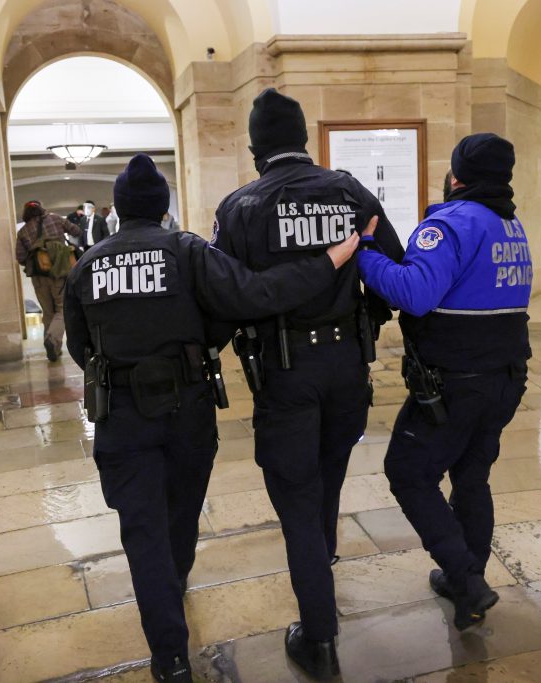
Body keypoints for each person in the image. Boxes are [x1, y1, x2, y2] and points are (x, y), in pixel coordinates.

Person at [64, 153, 360, 683]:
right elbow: (251, 296)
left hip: (123, 416)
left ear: (119, 209)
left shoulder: (89, 263)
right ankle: (171, 588)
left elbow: (79, 346)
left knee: (143, 530)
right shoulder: (186, 251)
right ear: (162, 208)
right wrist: (329, 261)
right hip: (187, 409)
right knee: (179, 519)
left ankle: (170, 657)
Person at [210, 88, 403, 679]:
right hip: (348, 368)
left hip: (285, 373)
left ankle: (318, 635)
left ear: (254, 149)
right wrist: (362, 314)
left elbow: (226, 295)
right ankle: (323, 566)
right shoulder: (347, 191)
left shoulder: (240, 206)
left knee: (296, 496)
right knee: (328, 480)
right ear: (305, 141)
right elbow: (391, 262)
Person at [356, 133, 532, 631]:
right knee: (472, 476)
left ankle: (466, 578)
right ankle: (466, 588)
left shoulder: (451, 223)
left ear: (456, 177)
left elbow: (414, 294)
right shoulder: (510, 224)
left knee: (408, 472)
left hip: (458, 383)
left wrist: (366, 252)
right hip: (505, 379)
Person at [15, 200, 81, 361]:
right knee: (62, 309)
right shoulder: (56, 219)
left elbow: (20, 257)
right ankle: (52, 340)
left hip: (38, 276)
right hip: (59, 272)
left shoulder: (23, 231)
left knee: (48, 312)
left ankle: (53, 350)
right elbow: (76, 231)